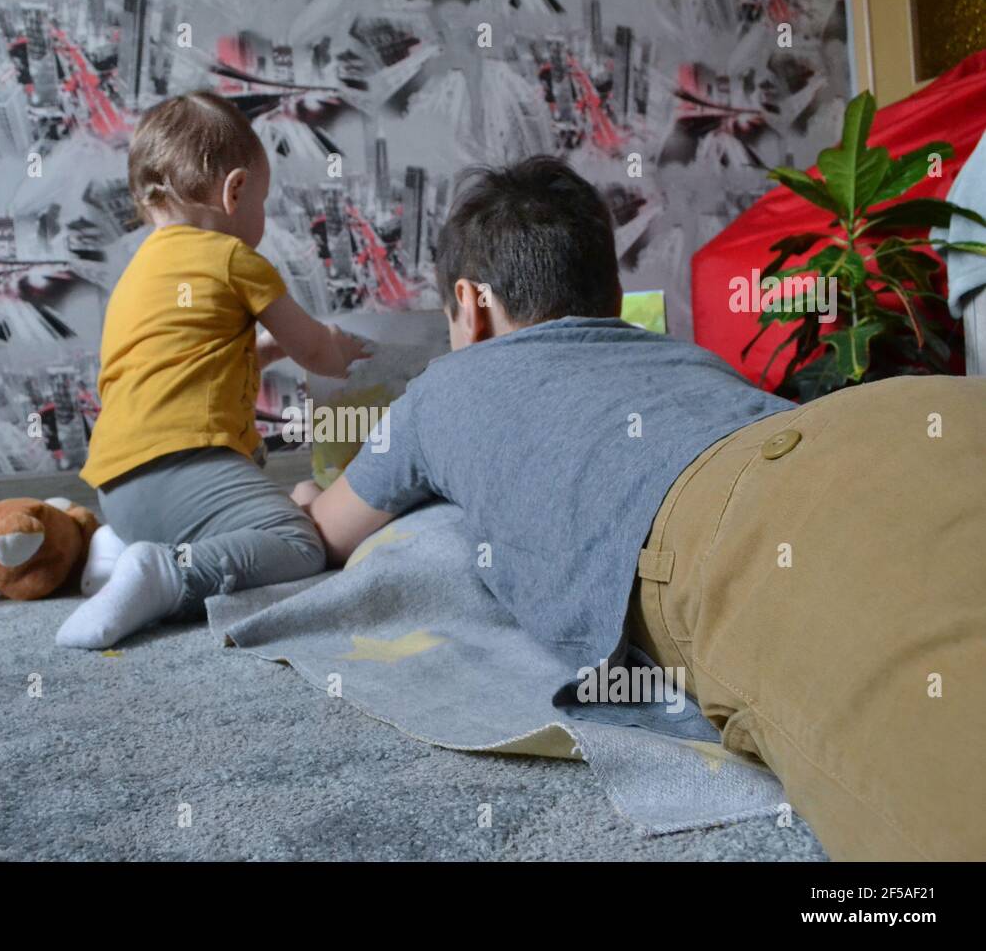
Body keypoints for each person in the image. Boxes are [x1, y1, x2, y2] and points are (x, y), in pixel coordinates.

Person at [293, 155, 986, 861]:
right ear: (613, 296)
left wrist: (304, 495)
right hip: (926, 411)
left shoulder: (442, 385)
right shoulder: (681, 357)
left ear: (470, 305)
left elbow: (330, 532)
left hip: (758, 517)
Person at [57, 91, 367, 650]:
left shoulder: (138, 273)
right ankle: (168, 575)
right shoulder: (233, 259)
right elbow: (316, 352)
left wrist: (266, 351)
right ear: (236, 190)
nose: (262, 219)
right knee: (298, 541)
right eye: (264, 202)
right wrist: (338, 350)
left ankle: (122, 547)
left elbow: (188, 359)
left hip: (116, 484)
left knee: (260, 509)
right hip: (180, 468)